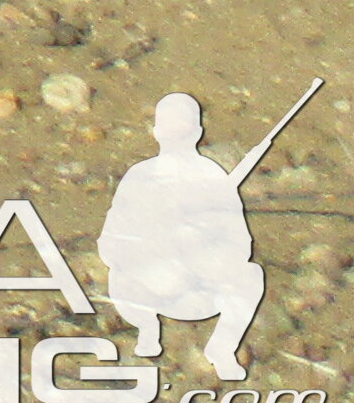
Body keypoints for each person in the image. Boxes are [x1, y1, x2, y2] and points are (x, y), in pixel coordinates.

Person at [98, 93, 266, 382]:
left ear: (198, 133)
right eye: (170, 128)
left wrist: (205, 242)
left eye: (184, 129)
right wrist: (154, 244)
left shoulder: (213, 176)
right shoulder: (139, 176)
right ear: (156, 132)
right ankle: (147, 329)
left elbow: (241, 245)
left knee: (251, 275)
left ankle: (222, 348)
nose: (177, 137)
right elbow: (112, 241)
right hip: (150, 285)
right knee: (122, 273)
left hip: (201, 286)